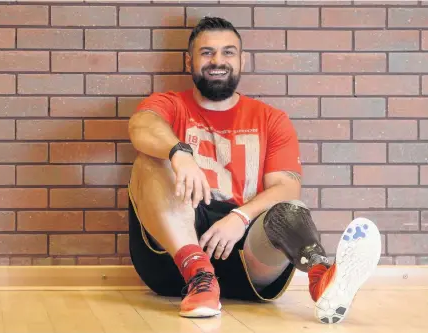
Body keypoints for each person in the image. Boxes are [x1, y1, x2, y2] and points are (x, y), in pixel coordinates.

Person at [127, 16, 382, 323]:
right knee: (148, 161)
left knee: (289, 208)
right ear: (189, 61)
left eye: (228, 52)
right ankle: (199, 273)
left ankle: (321, 277)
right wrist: (178, 152)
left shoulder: (271, 119)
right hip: (172, 263)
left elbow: (287, 186)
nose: (217, 61)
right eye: (207, 52)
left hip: (247, 260)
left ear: (242, 60)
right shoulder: (170, 105)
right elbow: (141, 125)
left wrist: (240, 217)